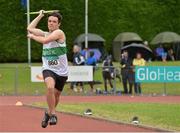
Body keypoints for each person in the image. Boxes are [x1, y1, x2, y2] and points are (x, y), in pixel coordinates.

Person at [27, 10, 68, 128]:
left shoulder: (59, 33)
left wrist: (33, 36)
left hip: (62, 71)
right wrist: (40, 15)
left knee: (56, 96)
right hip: (48, 68)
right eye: (49, 21)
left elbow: (45, 41)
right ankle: (53, 114)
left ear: (58, 24)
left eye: (54, 22)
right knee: (50, 87)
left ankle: (48, 113)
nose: (51, 23)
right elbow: (30, 28)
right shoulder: (44, 33)